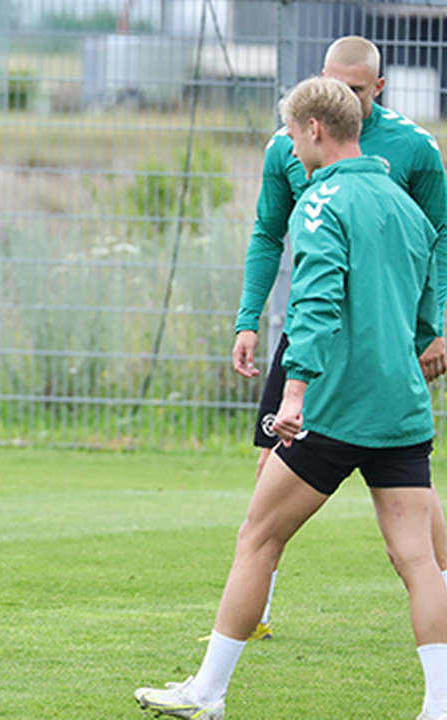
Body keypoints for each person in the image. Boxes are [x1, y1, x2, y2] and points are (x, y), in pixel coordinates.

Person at [137, 76, 447, 720]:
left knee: (258, 537)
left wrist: (295, 392)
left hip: (333, 409)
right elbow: (425, 318)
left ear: (314, 129)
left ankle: (207, 693)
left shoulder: (320, 202)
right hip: (402, 409)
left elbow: (314, 305)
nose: (290, 150)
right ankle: (440, 705)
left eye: (292, 136)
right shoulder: (408, 208)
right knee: (419, 560)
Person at [231, 35, 447, 640]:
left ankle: (215, 673)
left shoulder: (412, 148)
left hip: (371, 345)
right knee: (270, 468)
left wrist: (434, 328)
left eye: (353, 88)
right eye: (331, 83)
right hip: (311, 334)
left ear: (378, 88)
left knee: (414, 506)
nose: (340, 96)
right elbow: (266, 234)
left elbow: (438, 239)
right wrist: (248, 318)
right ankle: (256, 612)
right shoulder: (286, 144)